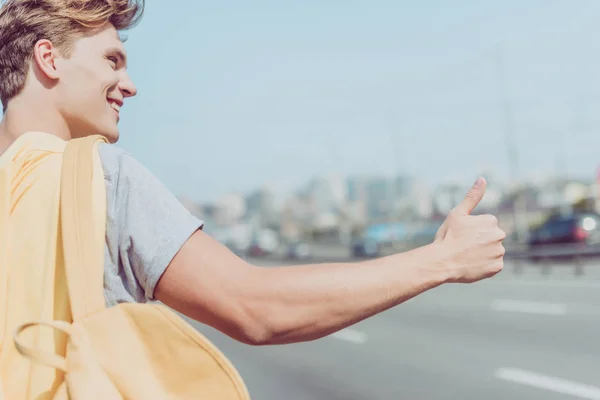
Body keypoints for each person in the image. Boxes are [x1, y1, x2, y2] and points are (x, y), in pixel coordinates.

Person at [0, 0, 505, 346]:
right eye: (113, 60)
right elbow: (255, 309)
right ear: (49, 58)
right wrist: (443, 260)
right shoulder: (98, 178)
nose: (128, 85)